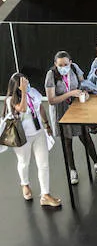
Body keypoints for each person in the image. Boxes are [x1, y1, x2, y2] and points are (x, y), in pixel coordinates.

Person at [4, 72, 61, 208]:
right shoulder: (11, 99)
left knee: (44, 164)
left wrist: (46, 124)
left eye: (27, 81)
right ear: (16, 86)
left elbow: (40, 107)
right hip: (22, 136)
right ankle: (25, 184)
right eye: (23, 84)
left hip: (38, 132)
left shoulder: (34, 92)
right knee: (24, 162)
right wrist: (24, 93)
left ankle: (45, 195)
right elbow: (22, 109)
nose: (27, 85)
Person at [44, 49, 97, 185]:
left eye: (65, 64)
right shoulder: (51, 75)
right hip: (61, 111)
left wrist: (84, 92)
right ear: (55, 64)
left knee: (85, 136)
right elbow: (51, 100)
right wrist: (70, 94)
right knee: (67, 142)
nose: (63, 68)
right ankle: (72, 170)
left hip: (76, 107)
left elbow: (83, 84)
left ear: (71, 63)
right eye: (60, 65)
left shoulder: (74, 68)